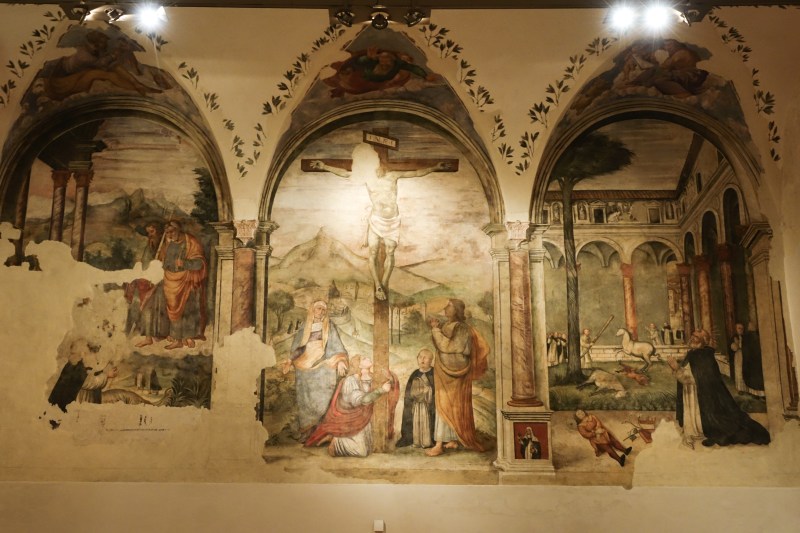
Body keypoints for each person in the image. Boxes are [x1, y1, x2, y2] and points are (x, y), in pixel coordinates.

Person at [309, 144, 453, 300]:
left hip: (392, 221)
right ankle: (377, 285)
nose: (376, 168)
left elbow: (416, 173)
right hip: (376, 220)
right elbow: (344, 173)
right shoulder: (366, 179)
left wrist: (434, 167)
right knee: (373, 252)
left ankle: (384, 283)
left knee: (390, 251)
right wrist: (324, 166)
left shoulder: (392, 176)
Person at [667, 329, 770, 448]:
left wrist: (676, 368)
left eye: (696, 337)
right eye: (692, 335)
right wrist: (677, 369)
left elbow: (692, 379)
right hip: (691, 393)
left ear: (702, 341)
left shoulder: (704, 356)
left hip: (700, 396)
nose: (692, 338)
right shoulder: (692, 353)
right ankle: (696, 430)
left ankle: (701, 431)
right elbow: (689, 375)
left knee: (719, 423)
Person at [425, 299, 489, 456]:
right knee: (447, 404)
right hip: (445, 371)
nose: (445, 308)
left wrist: (435, 330)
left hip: (455, 372)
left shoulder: (462, 327)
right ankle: (452, 439)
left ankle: (439, 445)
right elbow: (440, 344)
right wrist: (437, 329)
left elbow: (450, 346)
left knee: (448, 404)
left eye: (449, 306)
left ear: (457, 310)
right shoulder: (447, 325)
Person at [282, 300, 349, 438]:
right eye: (318, 309)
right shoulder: (305, 327)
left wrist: (340, 361)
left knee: (325, 394)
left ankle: (321, 432)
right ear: (312, 310)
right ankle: (307, 431)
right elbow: (299, 347)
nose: (321, 312)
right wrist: (289, 360)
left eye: (323, 309)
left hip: (323, 363)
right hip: (304, 365)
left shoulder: (329, 326)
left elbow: (336, 346)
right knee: (305, 399)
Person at [304, 356, 393, 457]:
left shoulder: (373, 377)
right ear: (359, 365)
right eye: (363, 358)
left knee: (369, 448)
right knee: (361, 452)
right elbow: (362, 401)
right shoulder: (351, 381)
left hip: (365, 418)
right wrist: (382, 390)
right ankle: (336, 443)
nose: (367, 357)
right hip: (351, 419)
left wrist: (389, 380)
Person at [158, 220, 208, 349]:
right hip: (171, 281)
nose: (170, 235)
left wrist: (185, 264)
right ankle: (177, 339)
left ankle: (189, 336)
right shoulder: (169, 244)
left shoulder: (192, 242)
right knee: (173, 308)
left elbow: (200, 263)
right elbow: (165, 263)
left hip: (188, 280)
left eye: (172, 232)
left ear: (178, 230)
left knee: (189, 308)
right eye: (167, 232)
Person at [126, 221, 169, 347]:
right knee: (140, 304)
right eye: (148, 232)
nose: (150, 235)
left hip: (159, 282)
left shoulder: (164, 246)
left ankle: (153, 335)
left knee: (150, 305)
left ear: (159, 232)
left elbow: (165, 265)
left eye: (152, 231)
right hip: (147, 280)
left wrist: (157, 266)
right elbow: (145, 262)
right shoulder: (150, 245)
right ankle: (147, 336)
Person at [396, 348, 436, 448]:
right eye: (420, 357)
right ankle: (413, 439)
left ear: (431, 360)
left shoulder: (435, 373)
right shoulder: (415, 374)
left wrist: (428, 392)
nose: (422, 360)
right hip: (417, 406)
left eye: (425, 358)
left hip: (429, 406)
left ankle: (429, 440)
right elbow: (409, 393)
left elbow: (438, 392)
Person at [729, 323, 766, 398]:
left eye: (742, 328)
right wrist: (736, 344)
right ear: (736, 329)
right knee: (739, 372)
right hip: (739, 356)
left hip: (746, 356)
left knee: (746, 371)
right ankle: (741, 389)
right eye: (739, 328)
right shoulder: (734, 337)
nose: (741, 330)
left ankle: (748, 389)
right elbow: (734, 348)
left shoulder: (746, 337)